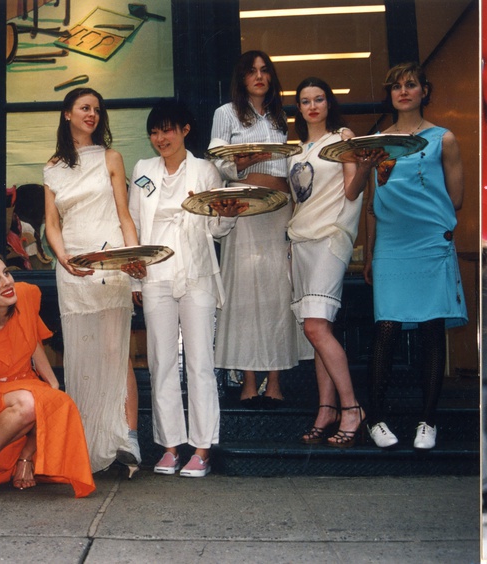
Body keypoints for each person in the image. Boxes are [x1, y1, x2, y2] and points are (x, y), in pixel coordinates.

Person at [128, 100, 244, 476]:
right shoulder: (143, 169)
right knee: (161, 362)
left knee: (199, 363)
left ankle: (202, 449)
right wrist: (134, 276)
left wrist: (226, 216)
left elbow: (214, 228)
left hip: (196, 274)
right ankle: (169, 446)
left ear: (185, 130)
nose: (162, 138)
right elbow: (131, 222)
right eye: (155, 131)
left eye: (169, 130)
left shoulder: (205, 170)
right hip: (155, 276)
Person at [364, 62, 467, 450]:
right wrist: (371, 253)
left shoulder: (445, 139)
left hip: (429, 242)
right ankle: (375, 418)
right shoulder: (375, 141)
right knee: (386, 328)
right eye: (396, 86)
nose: (403, 91)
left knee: (430, 329)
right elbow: (372, 203)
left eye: (411, 85)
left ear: (425, 90)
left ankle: (429, 420)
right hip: (391, 244)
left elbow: (456, 198)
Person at [43, 87, 144, 474]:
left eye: (97, 110)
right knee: (81, 355)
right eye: (84, 108)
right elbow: (52, 224)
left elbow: (124, 215)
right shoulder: (52, 166)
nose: (92, 115)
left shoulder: (111, 157)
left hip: (110, 262)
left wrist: (133, 262)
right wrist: (62, 257)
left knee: (115, 352)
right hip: (72, 267)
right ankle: (83, 444)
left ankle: (127, 439)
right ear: (67, 113)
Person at [0, 251, 95, 517]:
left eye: (6, 272)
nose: (7, 282)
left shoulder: (26, 295)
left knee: (56, 400)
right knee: (31, 402)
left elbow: (31, 339)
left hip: (26, 384)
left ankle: (25, 456)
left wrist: (53, 384)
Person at [209, 50, 310, 408]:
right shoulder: (226, 113)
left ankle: (276, 380)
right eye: (252, 71)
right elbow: (220, 163)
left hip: (280, 210)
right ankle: (249, 380)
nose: (259, 76)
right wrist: (248, 158)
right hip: (244, 208)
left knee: (277, 293)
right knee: (244, 294)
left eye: (265, 71)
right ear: (242, 77)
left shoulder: (283, 118)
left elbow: (297, 167)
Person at [287, 78, 378, 447]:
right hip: (301, 240)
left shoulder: (342, 137)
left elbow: (351, 190)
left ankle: (351, 408)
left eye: (319, 99)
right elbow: (298, 201)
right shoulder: (297, 151)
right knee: (316, 330)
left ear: (329, 103)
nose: (312, 106)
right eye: (305, 101)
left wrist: (366, 167)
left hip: (330, 237)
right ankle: (326, 409)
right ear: (299, 108)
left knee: (315, 328)